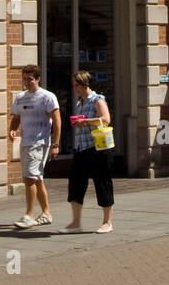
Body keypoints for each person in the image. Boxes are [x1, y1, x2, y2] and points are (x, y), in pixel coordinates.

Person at [8, 63, 60, 228]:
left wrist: (56, 144)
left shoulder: (47, 97)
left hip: (40, 143)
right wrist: (12, 129)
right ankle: (46, 213)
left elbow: (57, 120)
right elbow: (16, 116)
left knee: (29, 178)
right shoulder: (21, 97)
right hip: (26, 142)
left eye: (30, 79)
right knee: (37, 179)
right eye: (24, 79)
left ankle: (29, 215)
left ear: (38, 79)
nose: (26, 82)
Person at [63, 71, 113, 234]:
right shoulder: (80, 102)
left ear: (85, 84)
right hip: (81, 148)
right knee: (76, 184)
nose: (75, 88)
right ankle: (76, 222)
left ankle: (107, 222)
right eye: (74, 85)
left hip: (97, 148)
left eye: (77, 85)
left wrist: (85, 122)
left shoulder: (97, 99)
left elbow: (106, 119)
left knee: (102, 182)